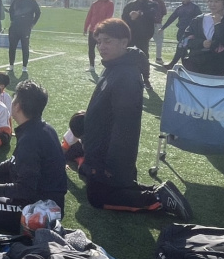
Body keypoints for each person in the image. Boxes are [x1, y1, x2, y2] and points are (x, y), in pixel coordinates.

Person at [81, 18, 192, 220]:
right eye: (99, 42)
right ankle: (153, 191)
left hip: (110, 155)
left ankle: (158, 198)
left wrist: (113, 165)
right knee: (95, 182)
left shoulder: (126, 76)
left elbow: (126, 128)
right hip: (100, 149)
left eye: (107, 41)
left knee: (97, 198)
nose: (101, 46)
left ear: (124, 42)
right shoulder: (115, 65)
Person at [0, 80, 67, 232]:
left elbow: (26, 189)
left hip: (42, 208)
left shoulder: (31, 139)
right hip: (45, 196)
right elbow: (16, 162)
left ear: (18, 106)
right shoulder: (41, 128)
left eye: (14, 98)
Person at [181, 0, 224, 76]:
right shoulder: (198, 20)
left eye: (216, 1)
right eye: (210, 1)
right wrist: (202, 43)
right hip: (195, 64)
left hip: (217, 67)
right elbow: (185, 40)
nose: (212, 4)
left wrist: (218, 24)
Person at [121, 0, 156, 88]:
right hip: (130, 36)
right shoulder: (130, 5)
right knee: (126, 56)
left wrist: (139, 14)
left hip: (143, 36)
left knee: (144, 58)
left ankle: (146, 79)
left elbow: (152, 14)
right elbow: (123, 19)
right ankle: (126, 77)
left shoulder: (152, 5)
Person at [162, 0, 201, 69]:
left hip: (189, 33)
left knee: (180, 47)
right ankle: (187, 66)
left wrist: (196, 32)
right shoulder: (180, 7)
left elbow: (200, 21)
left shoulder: (195, 8)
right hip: (181, 31)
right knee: (183, 50)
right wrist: (163, 28)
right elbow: (172, 17)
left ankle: (172, 64)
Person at [7, 0, 41, 73]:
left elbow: (38, 13)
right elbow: (11, 11)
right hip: (14, 28)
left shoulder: (32, 2)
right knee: (12, 46)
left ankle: (24, 66)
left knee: (25, 47)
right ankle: (11, 65)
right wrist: (13, 20)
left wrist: (33, 23)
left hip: (25, 28)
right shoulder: (15, 1)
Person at [83, 0, 114, 71]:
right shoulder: (94, 4)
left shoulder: (110, 4)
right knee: (91, 48)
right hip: (92, 30)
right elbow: (89, 16)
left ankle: (107, 65)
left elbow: (109, 17)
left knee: (104, 48)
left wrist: (104, 27)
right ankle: (91, 66)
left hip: (102, 31)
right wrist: (85, 27)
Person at [151, 0, 168, 64]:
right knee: (159, 41)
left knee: (146, 40)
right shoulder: (160, 2)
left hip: (148, 24)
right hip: (157, 24)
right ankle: (158, 58)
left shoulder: (149, 1)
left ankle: (144, 56)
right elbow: (164, 12)